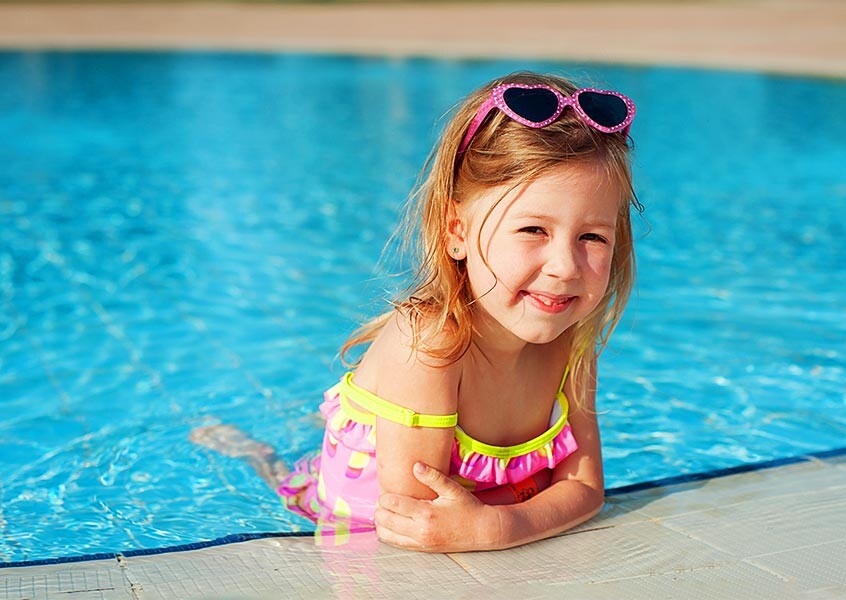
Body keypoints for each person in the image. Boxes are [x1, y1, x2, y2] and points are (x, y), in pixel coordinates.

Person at [191, 71, 639, 553]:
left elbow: (587, 490)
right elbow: (415, 520)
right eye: (533, 230)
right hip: (352, 516)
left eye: (592, 236)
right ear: (456, 232)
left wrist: (500, 526)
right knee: (280, 475)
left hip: (461, 479)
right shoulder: (429, 343)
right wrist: (528, 504)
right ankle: (253, 450)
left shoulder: (572, 340)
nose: (565, 267)